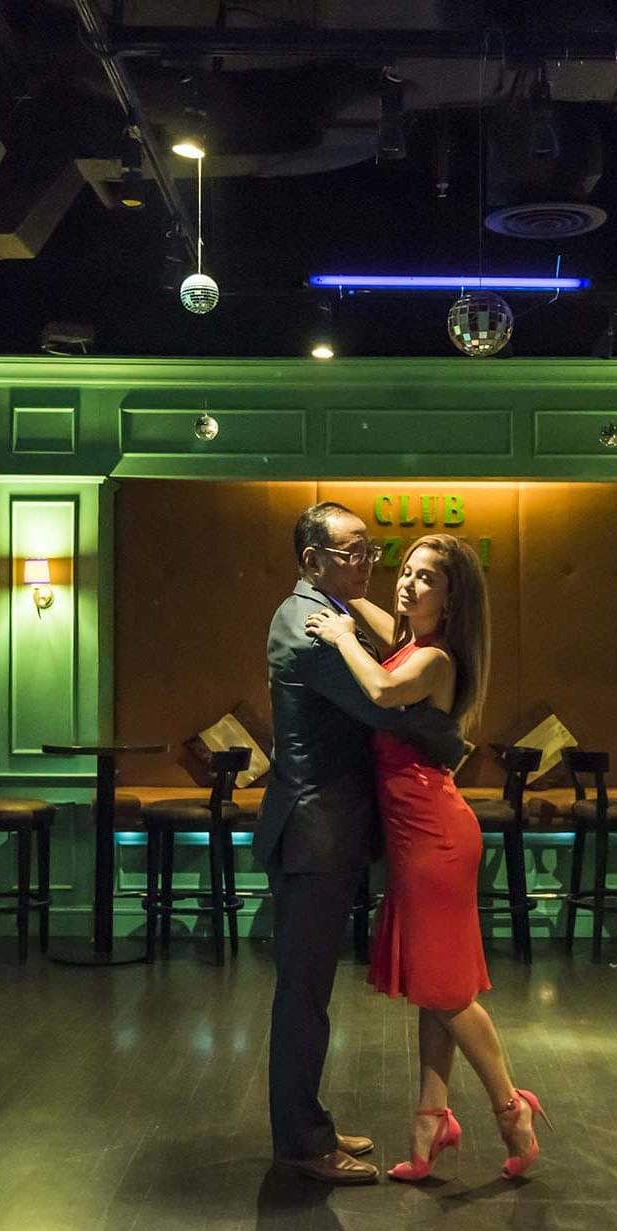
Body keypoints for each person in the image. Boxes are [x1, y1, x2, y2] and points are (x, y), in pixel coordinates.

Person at [305, 533, 550, 1182]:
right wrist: (345, 600)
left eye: (427, 579)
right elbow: (379, 619)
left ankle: (510, 1107)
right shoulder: (411, 640)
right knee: (432, 984)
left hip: (434, 835)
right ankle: (430, 1118)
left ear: (453, 598)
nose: (407, 584)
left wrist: (338, 636)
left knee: (444, 989)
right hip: (421, 831)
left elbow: (383, 691)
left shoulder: (433, 660)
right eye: (405, 572)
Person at [254, 502, 468, 1186]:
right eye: (351, 552)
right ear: (312, 559)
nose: (366, 562)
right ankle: (300, 1142)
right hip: (314, 830)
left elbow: (395, 641)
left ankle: (307, 1123)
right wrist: (451, 737)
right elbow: (385, 707)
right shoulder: (313, 627)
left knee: (308, 991)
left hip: (324, 829)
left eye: (371, 549)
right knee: (303, 994)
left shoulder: (326, 612)